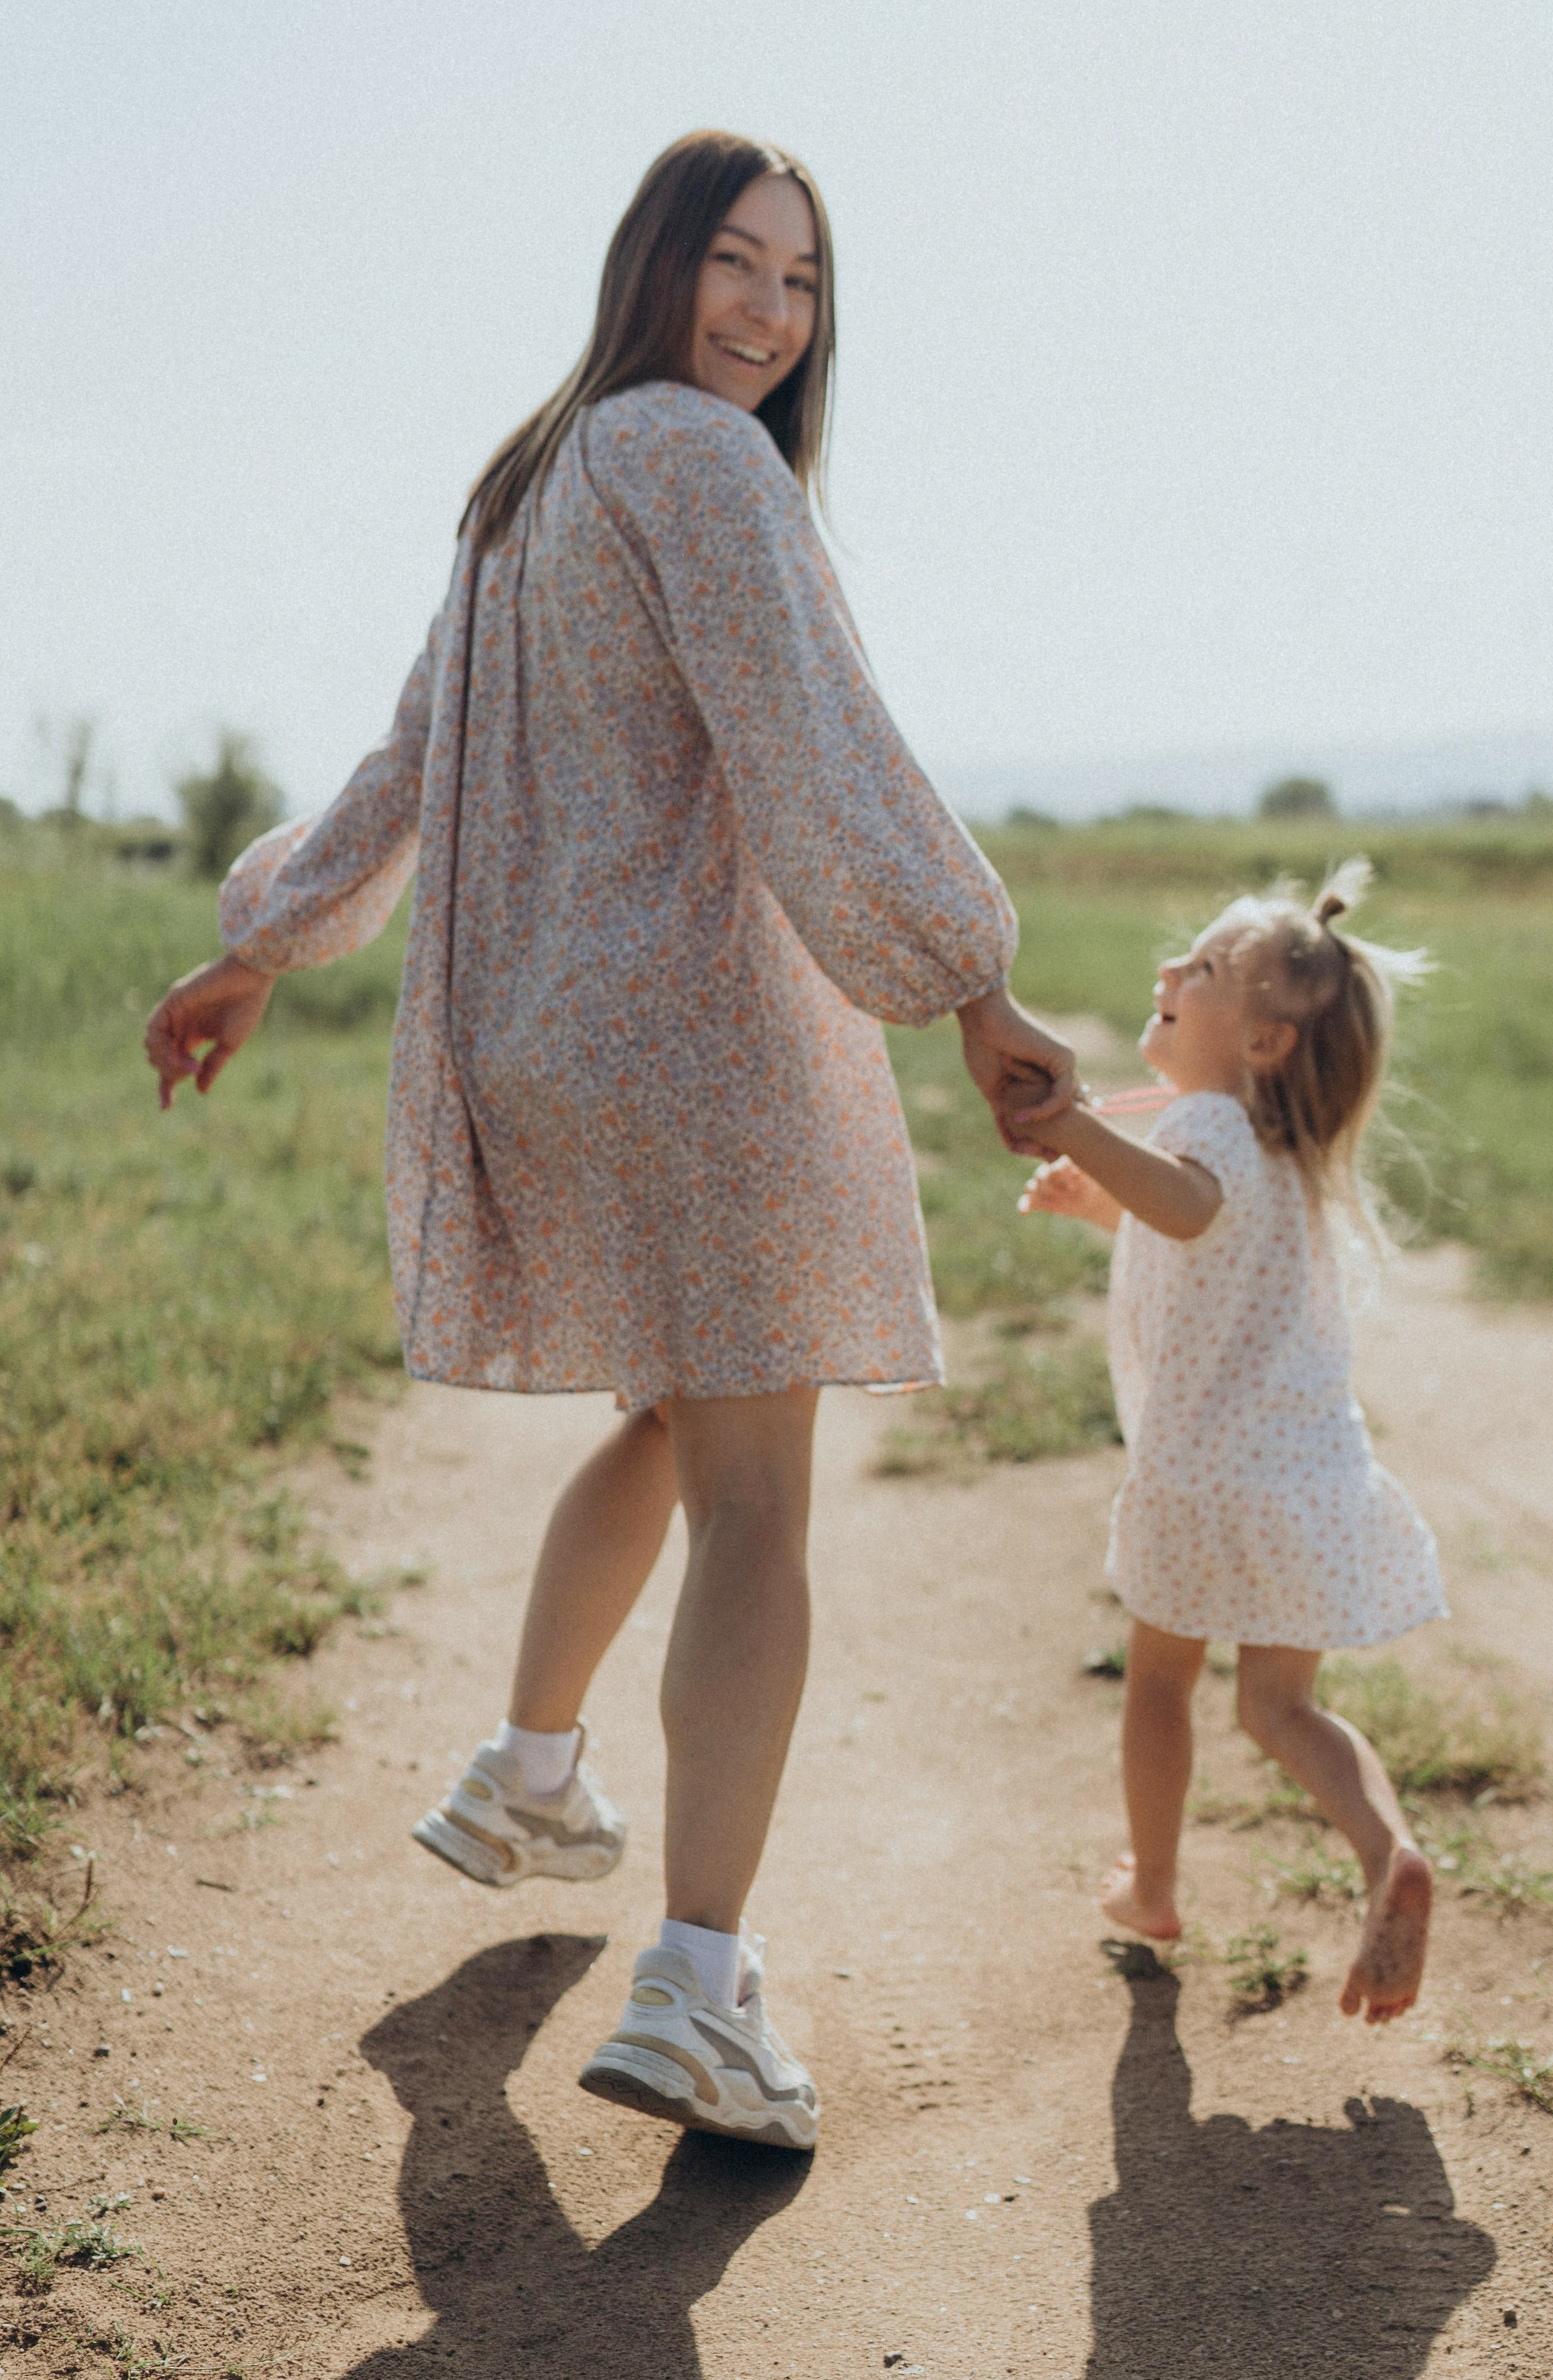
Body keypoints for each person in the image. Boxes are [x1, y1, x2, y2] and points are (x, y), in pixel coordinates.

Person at [143, 129, 1077, 2151]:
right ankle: (701, 1987)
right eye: (733, 260)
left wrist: (262, 943)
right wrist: (971, 977)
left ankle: (529, 1772)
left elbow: (404, 761)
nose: (767, 310)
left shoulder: (528, 479)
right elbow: (821, 742)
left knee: (669, 1418)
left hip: (552, 1044)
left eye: (801, 281)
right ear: (651, 261)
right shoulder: (702, 461)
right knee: (758, 1502)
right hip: (707, 1050)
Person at [1018, 862, 1445, 2023]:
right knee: (1282, 1708)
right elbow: (1192, 1229)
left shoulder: (1206, 1123)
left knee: (1161, 1679)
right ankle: (1388, 1849)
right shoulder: (1282, 1152)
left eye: (1202, 967)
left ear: (1262, 1042)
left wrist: (1070, 1126)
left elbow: (1189, 1206)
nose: (1169, 969)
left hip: (1204, 1480)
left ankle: (1153, 1888)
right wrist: (1100, 1199)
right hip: (1309, 1478)